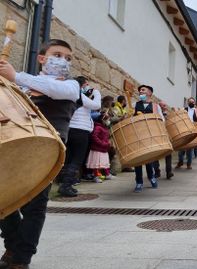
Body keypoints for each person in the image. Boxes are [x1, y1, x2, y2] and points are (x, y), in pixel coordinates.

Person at [0, 39, 80, 269]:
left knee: (36, 205)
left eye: (68, 58)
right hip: (15, 145)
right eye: (57, 54)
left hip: (47, 151)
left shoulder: (71, 86)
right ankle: (13, 247)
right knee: (5, 199)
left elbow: (56, 90)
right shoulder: (23, 85)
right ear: (42, 58)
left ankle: (21, 259)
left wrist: (15, 76)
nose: (63, 60)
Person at [57, 76, 101, 197]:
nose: (88, 87)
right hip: (80, 131)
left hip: (69, 129)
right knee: (77, 159)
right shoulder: (79, 95)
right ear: (81, 85)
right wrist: (97, 93)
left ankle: (66, 184)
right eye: (86, 84)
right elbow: (96, 105)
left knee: (69, 158)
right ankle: (66, 186)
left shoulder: (69, 94)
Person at [133, 85, 164, 192]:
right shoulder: (135, 105)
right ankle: (139, 182)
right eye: (140, 90)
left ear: (150, 93)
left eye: (143, 90)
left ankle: (151, 177)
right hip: (137, 135)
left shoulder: (156, 106)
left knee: (149, 159)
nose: (140, 91)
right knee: (137, 160)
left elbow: (161, 119)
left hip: (150, 135)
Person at [85, 112, 113, 183]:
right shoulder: (98, 127)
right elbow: (94, 137)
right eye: (107, 119)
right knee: (96, 164)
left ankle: (107, 174)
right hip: (97, 149)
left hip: (103, 148)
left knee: (104, 162)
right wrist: (102, 143)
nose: (108, 121)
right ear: (102, 120)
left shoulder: (104, 128)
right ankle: (96, 176)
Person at [152, 100, 174, 180]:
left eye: (165, 105)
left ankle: (169, 172)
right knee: (156, 154)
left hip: (165, 134)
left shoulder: (167, 114)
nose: (165, 107)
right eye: (163, 106)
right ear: (159, 106)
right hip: (157, 134)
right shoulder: (155, 111)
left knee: (168, 153)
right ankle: (157, 171)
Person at [176, 97, 197, 169]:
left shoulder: (196, 111)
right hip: (183, 130)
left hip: (192, 130)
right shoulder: (183, 109)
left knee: (190, 148)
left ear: (194, 103)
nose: (191, 103)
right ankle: (180, 162)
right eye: (190, 102)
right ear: (187, 102)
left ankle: (189, 164)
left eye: (193, 102)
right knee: (181, 147)